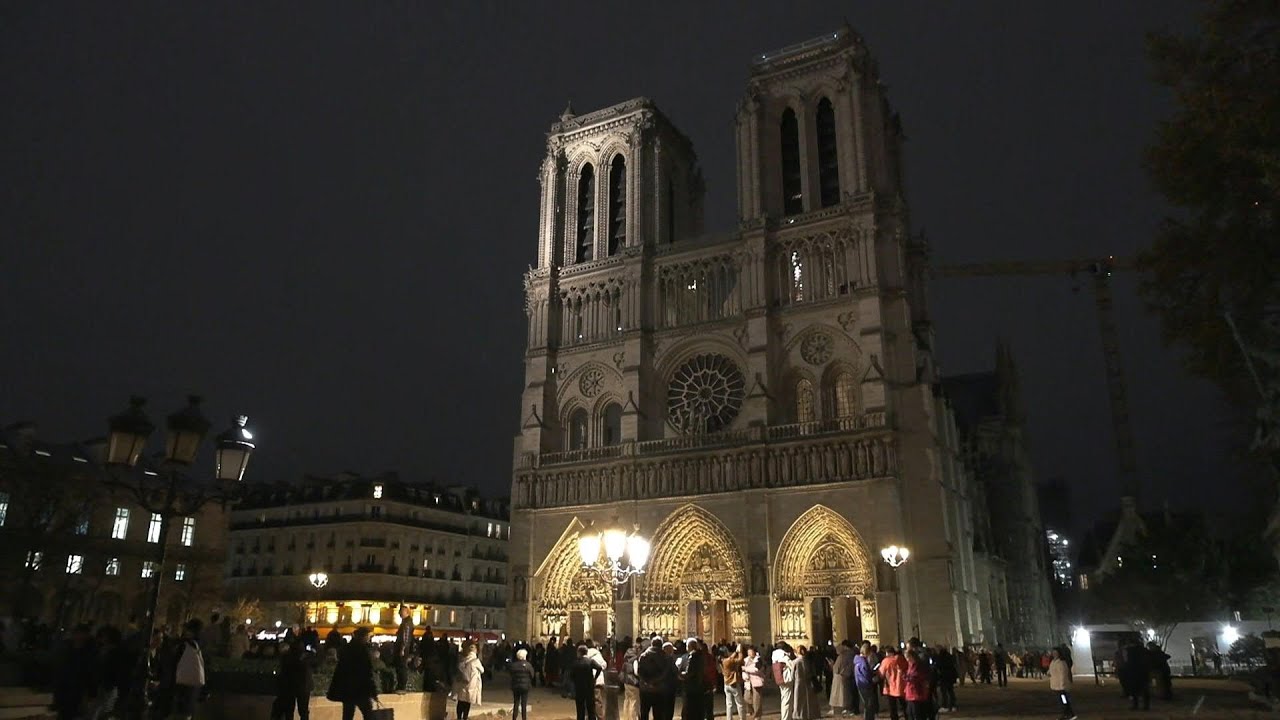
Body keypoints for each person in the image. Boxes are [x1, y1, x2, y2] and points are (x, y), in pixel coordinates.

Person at [327, 627, 378, 720]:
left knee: (348, 714)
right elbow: (367, 672)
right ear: (363, 637)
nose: (368, 639)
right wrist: (373, 691)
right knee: (368, 714)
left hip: (348, 689)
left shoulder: (347, 649)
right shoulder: (363, 650)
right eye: (367, 636)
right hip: (360, 689)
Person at [171, 619, 206, 720]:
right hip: (194, 683)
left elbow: (174, 662)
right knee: (188, 710)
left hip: (181, 681)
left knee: (179, 709)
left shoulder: (183, 645)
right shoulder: (198, 645)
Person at [272, 640, 316, 720]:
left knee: (289, 710)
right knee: (303, 710)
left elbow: (283, 672)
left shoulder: (287, 657)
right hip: (304, 686)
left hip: (290, 686)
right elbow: (316, 663)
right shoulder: (307, 657)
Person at [572, 644, 604, 720]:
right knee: (591, 708)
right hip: (589, 687)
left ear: (579, 652)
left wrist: (575, 681)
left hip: (579, 688)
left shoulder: (576, 662)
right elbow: (599, 668)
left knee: (580, 708)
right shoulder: (590, 661)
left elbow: (571, 675)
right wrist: (595, 678)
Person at [456, 642, 485, 720]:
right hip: (471, 684)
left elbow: (459, 668)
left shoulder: (463, 659)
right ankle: (465, 717)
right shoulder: (476, 661)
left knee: (460, 701)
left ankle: (459, 717)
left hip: (463, 682)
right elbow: (482, 670)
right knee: (467, 701)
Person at [789, 645, 820, 720]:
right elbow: (813, 672)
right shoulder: (808, 661)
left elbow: (792, 675)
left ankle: (799, 714)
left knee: (799, 700)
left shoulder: (795, 662)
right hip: (808, 681)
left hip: (799, 682)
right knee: (808, 700)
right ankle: (809, 714)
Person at [1121, 639, 1150, 711]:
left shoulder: (1129, 650)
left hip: (1133, 672)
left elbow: (1126, 661)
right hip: (1143, 672)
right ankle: (1146, 705)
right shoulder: (1144, 650)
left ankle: (1135, 705)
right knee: (1144, 689)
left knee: (1134, 689)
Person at [903, 651, 932, 720]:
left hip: (916, 693)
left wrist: (905, 677)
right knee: (910, 713)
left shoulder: (918, 666)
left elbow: (916, 677)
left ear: (912, 657)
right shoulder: (910, 665)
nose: (907, 660)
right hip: (910, 693)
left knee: (917, 714)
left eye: (907, 657)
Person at [879, 645, 906, 720]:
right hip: (901, 685)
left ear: (887, 653)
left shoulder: (886, 661)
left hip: (890, 687)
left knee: (892, 707)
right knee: (904, 705)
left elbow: (881, 674)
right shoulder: (902, 659)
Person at [1049, 647, 1075, 720]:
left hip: (1061, 686)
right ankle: (1070, 713)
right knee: (1062, 701)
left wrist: (1062, 684)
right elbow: (1051, 670)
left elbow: (1062, 674)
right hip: (1055, 685)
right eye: (1053, 653)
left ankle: (1067, 714)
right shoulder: (1053, 662)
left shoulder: (1061, 663)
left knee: (1063, 701)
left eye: (1056, 653)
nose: (1054, 654)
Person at [509, 647, 535, 720]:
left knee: (516, 703)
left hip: (515, 686)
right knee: (524, 703)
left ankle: (514, 718)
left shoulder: (513, 665)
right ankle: (524, 718)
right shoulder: (528, 665)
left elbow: (511, 674)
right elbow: (532, 675)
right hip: (525, 686)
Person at [585, 640, 609, 720]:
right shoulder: (598, 655)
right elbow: (604, 665)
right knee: (597, 700)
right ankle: (600, 717)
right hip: (598, 680)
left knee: (588, 700)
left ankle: (589, 716)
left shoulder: (585, 655)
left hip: (588, 680)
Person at [622, 637, 644, 720]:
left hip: (626, 682)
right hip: (633, 682)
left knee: (627, 700)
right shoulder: (635, 659)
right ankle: (632, 718)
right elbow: (636, 672)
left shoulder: (627, 658)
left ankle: (626, 717)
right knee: (634, 702)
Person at [393, 606, 415, 692]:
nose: (399, 613)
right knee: (401, 667)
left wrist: (402, 648)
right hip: (403, 648)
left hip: (403, 648)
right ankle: (401, 686)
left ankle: (401, 686)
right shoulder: (406, 622)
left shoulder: (406, 623)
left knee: (401, 666)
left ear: (406, 612)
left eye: (401, 611)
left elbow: (405, 637)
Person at [853, 642, 877, 720]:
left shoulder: (857, 661)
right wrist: (873, 674)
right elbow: (866, 673)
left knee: (867, 703)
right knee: (869, 704)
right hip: (866, 684)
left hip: (860, 683)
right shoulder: (863, 661)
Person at [722, 644, 745, 720]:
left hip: (726, 683)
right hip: (733, 683)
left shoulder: (723, 661)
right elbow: (740, 659)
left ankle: (729, 718)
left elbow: (731, 657)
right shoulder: (729, 661)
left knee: (729, 704)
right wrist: (740, 651)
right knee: (739, 703)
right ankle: (742, 718)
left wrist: (736, 651)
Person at [742, 645, 766, 720]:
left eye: (751, 652)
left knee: (757, 700)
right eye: (748, 652)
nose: (749, 653)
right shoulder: (746, 660)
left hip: (757, 681)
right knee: (747, 698)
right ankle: (751, 711)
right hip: (748, 682)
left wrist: (746, 669)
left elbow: (756, 669)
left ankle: (757, 716)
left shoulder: (758, 659)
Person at [773, 643, 795, 720]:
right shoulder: (784, 656)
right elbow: (793, 666)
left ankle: (785, 716)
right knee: (787, 700)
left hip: (780, 679)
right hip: (786, 679)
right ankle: (786, 717)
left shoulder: (775, 656)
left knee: (784, 699)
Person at [934, 645, 958, 713]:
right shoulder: (949, 656)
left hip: (944, 676)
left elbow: (938, 666)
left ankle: (945, 706)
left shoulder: (940, 657)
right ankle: (953, 705)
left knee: (944, 692)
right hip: (950, 676)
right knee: (950, 691)